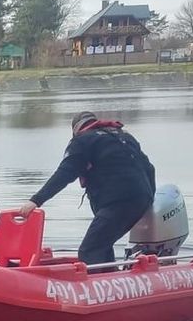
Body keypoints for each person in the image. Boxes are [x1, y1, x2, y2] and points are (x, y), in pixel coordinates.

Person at [17, 111, 156, 265]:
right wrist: (149, 200)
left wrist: (36, 200)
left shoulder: (82, 141)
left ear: (75, 129)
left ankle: (96, 286)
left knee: (89, 250)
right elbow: (150, 169)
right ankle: (110, 275)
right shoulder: (124, 137)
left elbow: (66, 173)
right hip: (142, 197)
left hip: (118, 203)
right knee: (102, 243)